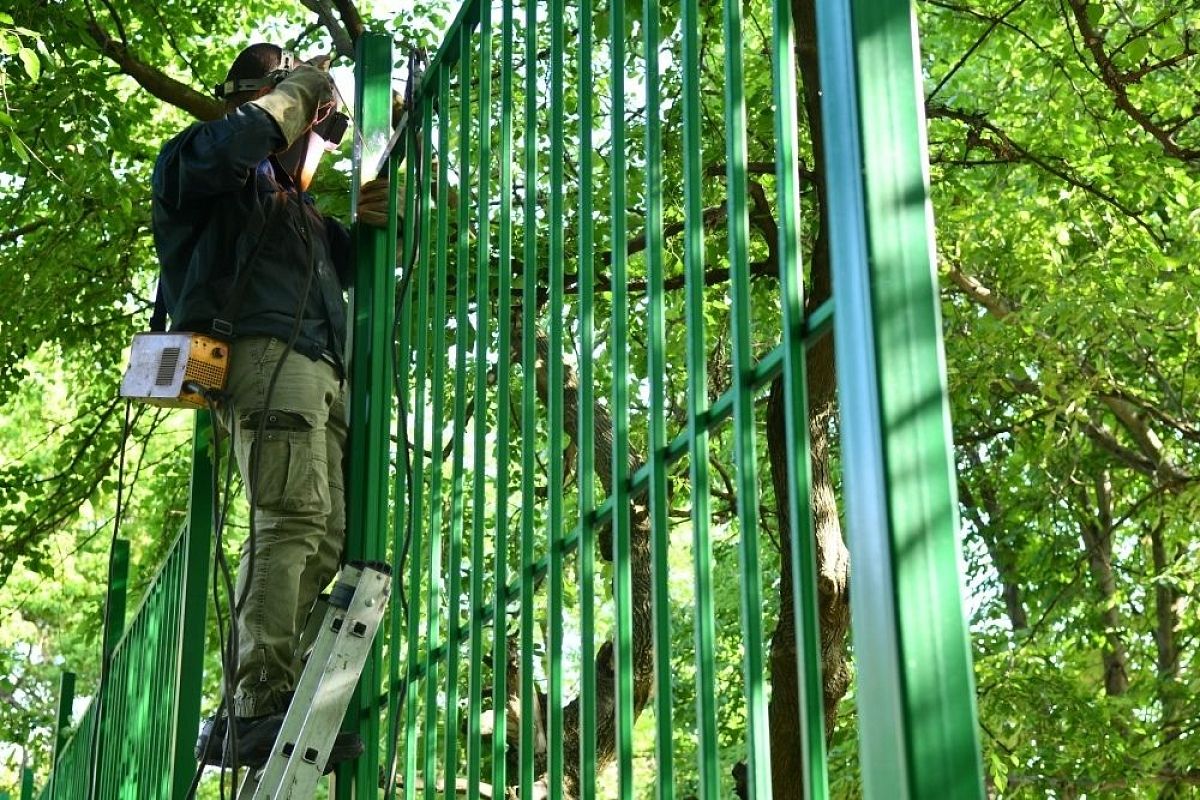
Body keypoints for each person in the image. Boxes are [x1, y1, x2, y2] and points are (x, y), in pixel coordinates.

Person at [151, 42, 390, 769]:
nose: (311, 141)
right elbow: (236, 145)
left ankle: (283, 688)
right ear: (259, 104)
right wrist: (305, 87)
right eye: (305, 123)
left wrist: (391, 196)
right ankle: (253, 702)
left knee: (325, 531)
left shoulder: (304, 216)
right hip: (262, 356)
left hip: (322, 369)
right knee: (288, 515)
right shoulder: (201, 160)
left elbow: (370, 261)